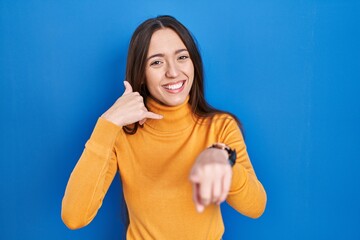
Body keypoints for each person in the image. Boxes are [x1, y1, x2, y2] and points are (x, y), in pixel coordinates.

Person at [61, 15, 267, 239]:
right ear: (140, 74)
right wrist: (107, 124)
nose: (173, 72)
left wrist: (225, 161)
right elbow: (74, 216)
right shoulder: (122, 134)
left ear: (194, 63)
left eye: (182, 57)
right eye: (156, 62)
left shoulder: (220, 126)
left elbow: (255, 206)